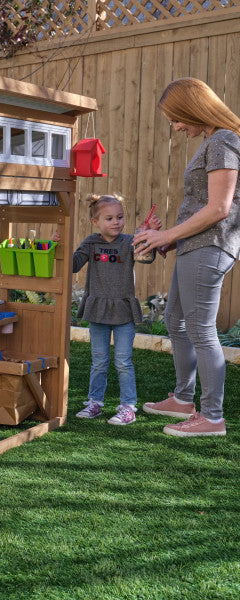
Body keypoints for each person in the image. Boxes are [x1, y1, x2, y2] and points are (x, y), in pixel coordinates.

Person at [134, 77, 240, 437]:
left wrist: (166, 235)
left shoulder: (224, 139)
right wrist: (167, 240)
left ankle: (212, 418)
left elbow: (219, 209)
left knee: (199, 328)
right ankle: (183, 398)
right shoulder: (213, 140)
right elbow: (201, 207)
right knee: (175, 319)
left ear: (194, 109)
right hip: (195, 246)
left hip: (211, 248)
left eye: (178, 119)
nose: (177, 127)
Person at [56, 193, 161, 425]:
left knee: (123, 361)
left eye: (120, 217)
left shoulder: (129, 241)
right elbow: (73, 266)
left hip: (123, 312)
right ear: (95, 222)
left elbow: (145, 258)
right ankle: (95, 403)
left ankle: (127, 407)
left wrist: (145, 236)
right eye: (110, 218)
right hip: (98, 311)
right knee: (99, 360)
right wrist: (59, 246)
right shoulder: (91, 243)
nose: (116, 222)